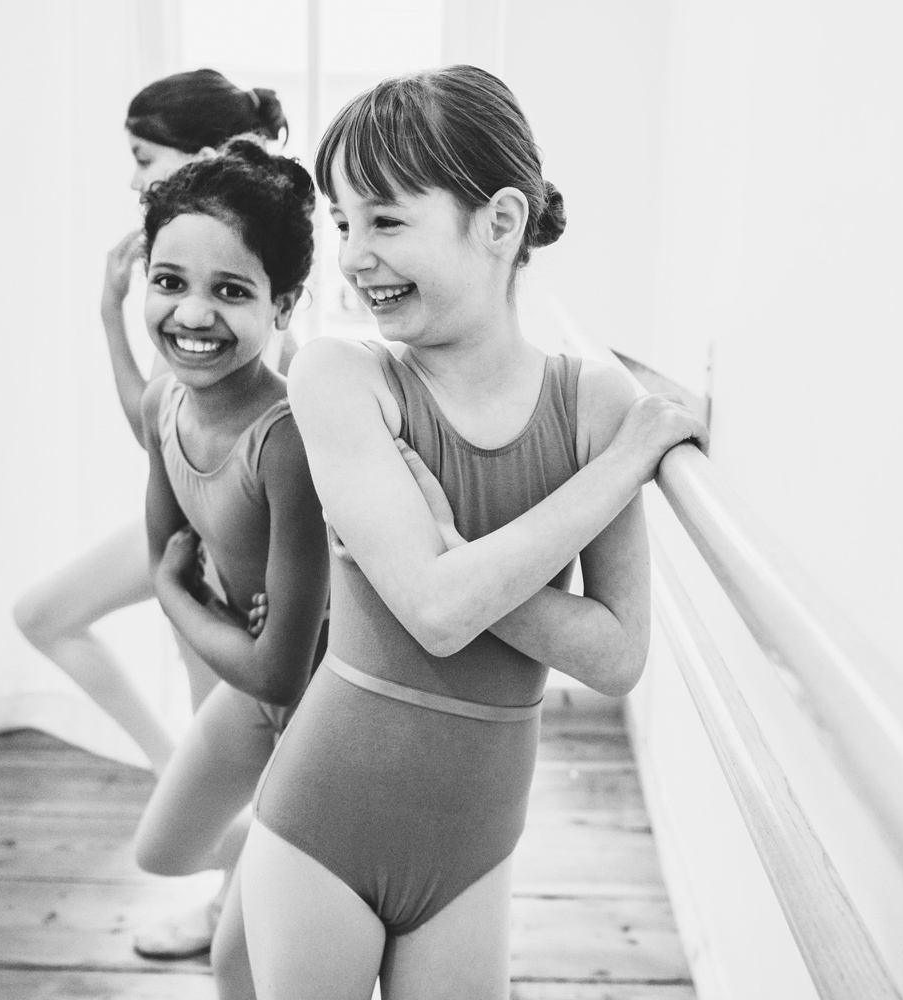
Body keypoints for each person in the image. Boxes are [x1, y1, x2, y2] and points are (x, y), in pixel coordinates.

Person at [239, 65, 706, 999]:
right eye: (343, 225)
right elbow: (435, 613)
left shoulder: (593, 400)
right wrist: (621, 467)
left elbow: (617, 655)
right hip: (323, 823)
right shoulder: (343, 378)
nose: (353, 255)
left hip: (477, 851)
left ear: (498, 223)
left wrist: (457, 558)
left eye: (385, 220)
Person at [10, 69, 294, 962]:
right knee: (46, 614)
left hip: (235, 550)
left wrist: (202, 586)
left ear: (201, 156)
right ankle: (209, 830)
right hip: (192, 526)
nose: (134, 180)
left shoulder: (252, 275)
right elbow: (158, 419)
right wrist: (110, 315)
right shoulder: (178, 270)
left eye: (143, 159)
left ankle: (238, 915)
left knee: (257, 741)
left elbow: (248, 439)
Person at [131, 137, 329, 998]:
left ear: (284, 305)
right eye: (170, 281)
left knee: (238, 965)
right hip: (259, 690)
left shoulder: (287, 440)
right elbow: (162, 547)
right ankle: (278, 854)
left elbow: (282, 666)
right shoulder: (162, 397)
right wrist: (185, 592)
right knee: (162, 848)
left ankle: (310, 861)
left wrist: (177, 596)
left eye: (232, 290)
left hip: (323, 711)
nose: (193, 314)